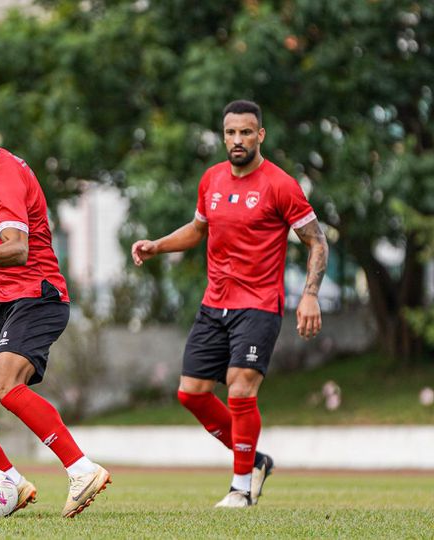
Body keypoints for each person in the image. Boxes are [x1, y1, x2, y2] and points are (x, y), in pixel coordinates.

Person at [131, 100, 329, 508]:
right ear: (223, 136)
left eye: (246, 132)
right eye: (231, 133)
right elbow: (199, 228)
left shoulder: (280, 184)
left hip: (258, 305)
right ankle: (255, 461)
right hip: (214, 303)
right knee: (192, 394)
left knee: (240, 388)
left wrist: (309, 294)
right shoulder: (212, 179)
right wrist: (158, 246)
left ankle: (241, 488)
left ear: (261, 135)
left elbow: (317, 240)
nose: (237, 140)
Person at [0, 100, 110, 518]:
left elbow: (17, 248)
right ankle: (7, 480)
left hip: (37, 296)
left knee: (4, 383)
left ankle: (82, 469)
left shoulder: (4, 178)